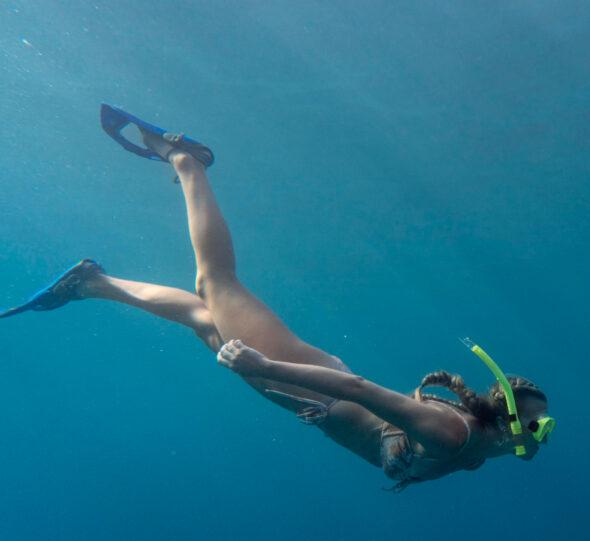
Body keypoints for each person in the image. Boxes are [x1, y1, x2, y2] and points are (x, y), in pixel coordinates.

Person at [2, 106, 555, 492]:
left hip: (307, 392)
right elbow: (359, 388)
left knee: (203, 317)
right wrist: (267, 365)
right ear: (506, 418)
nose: (539, 436)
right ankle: (184, 160)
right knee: (217, 283)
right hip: (303, 379)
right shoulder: (451, 433)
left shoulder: (478, 454)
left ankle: (92, 284)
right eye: (535, 425)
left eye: (540, 427)